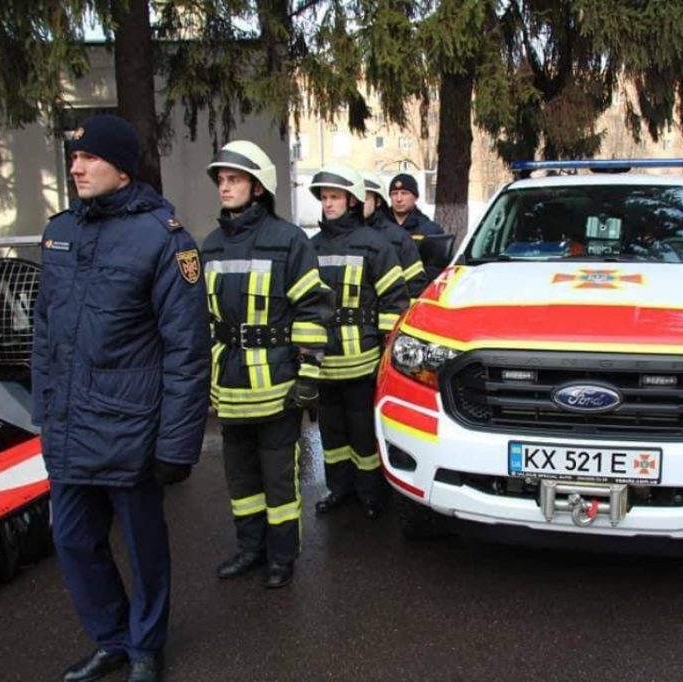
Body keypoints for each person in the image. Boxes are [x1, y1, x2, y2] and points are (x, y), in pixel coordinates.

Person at [32, 114, 210, 682]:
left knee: (143, 547)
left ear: (123, 170)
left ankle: (144, 647)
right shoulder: (60, 231)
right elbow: (44, 331)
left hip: (130, 429)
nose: (77, 168)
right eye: (74, 159)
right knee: (73, 539)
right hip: (68, 425)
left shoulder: (164, 239)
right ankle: (110, 638)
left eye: (91, 159)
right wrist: (44, 411)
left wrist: (176, 446)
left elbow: (187, 350)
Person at [201, 141, 331, 589]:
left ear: (258, 187)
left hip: (277, 387)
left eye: (233, 179)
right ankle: (249, 549)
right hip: (231, 387)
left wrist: (309, 377)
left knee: (279, 482)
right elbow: (206, 319)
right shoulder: (212, 245)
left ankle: (281, 557)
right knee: (240, 481)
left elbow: (313, 312)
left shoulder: (288, 241)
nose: (225, 187)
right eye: (221, 180)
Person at [309, 163, 410, 519]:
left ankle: (371, 494)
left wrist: (384, 354)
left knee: (364, 434)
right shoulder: (312, 246)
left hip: (362, 361)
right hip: (324, 364)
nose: (328, 204)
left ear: (352, 200)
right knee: (332, 437)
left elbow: (395, 303)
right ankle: (339, 489)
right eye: (324, 197)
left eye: (335, 197)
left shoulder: (375, 245)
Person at [362, 169, 429, 297]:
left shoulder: (427, 230)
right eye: (394, 193)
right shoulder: (353, 233)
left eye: (404, 193)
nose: (399, 199)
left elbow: (423, 280)